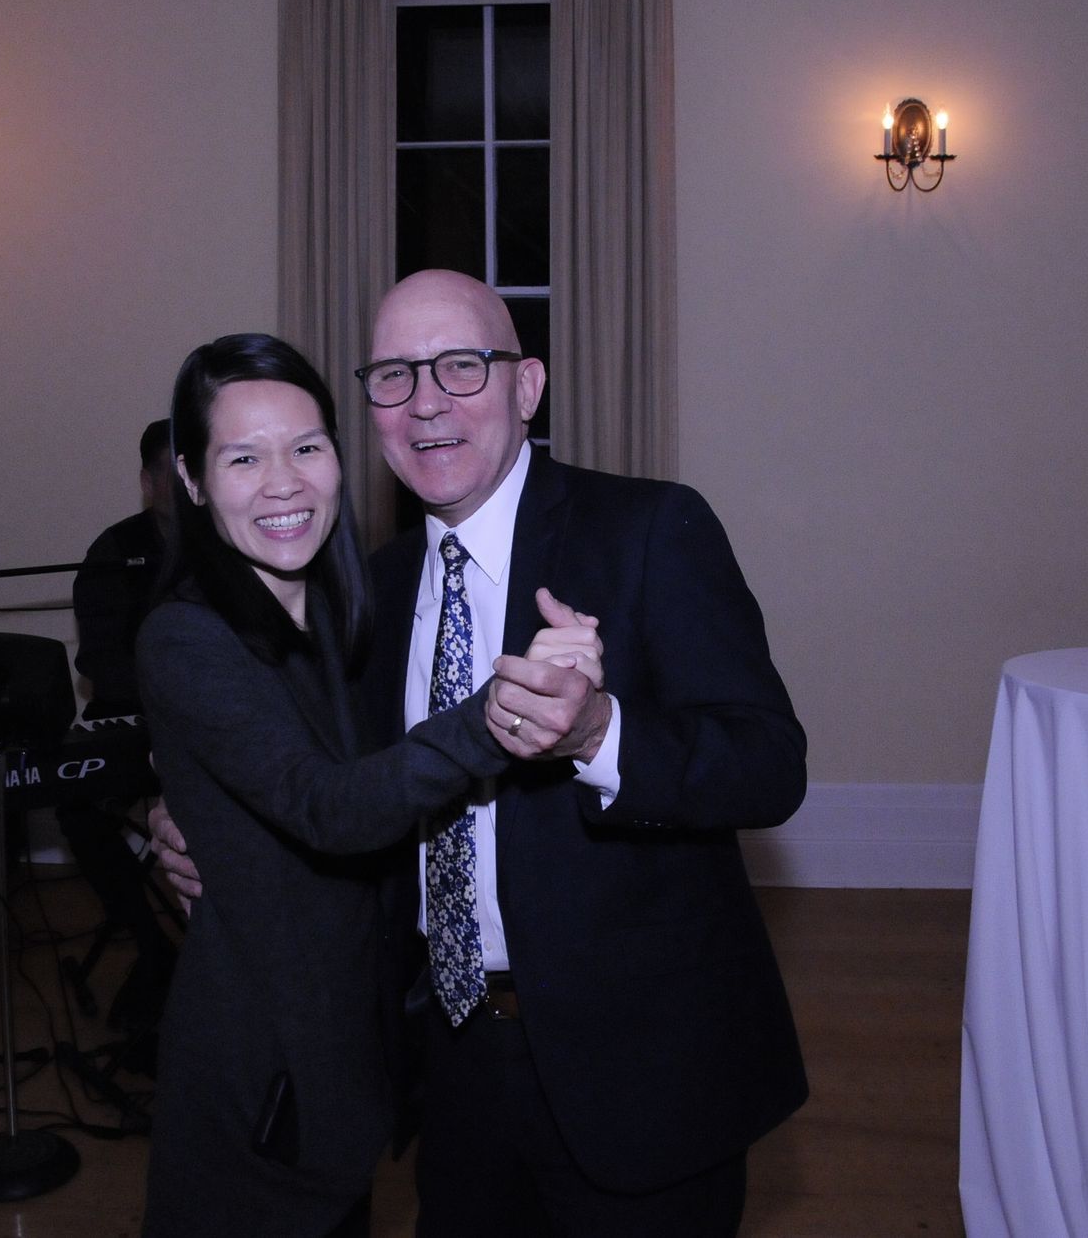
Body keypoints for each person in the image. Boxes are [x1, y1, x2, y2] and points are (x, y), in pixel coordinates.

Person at [154, 271, 809, 1235]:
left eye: (461, 366)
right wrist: (179, 819)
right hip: (447, 1066)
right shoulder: (365, 592)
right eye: (393, 376)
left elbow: (769, 763)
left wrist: (599, 732)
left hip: (642, 1077)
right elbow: (318, 782)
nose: (427, 402)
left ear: (527, 386)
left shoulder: (647, 530)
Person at [136, 332, 599, 1237]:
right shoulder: (188, 635)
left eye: (307, 446)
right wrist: (503, 709)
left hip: (354, 1072)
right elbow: (329, 808)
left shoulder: (360, 611)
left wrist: (182, 808)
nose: (284, 482)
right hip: (260, 1084)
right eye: (243, 456)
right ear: (190, 481)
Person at [62, 420, 180, 1033]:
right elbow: (97, 659)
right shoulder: (114, 551)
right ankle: (149, 939)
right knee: (75, 802)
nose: (182, 486)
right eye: (168, 473)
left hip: (209, 726)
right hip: (135, 721)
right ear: (146, 481)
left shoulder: (230, 542)